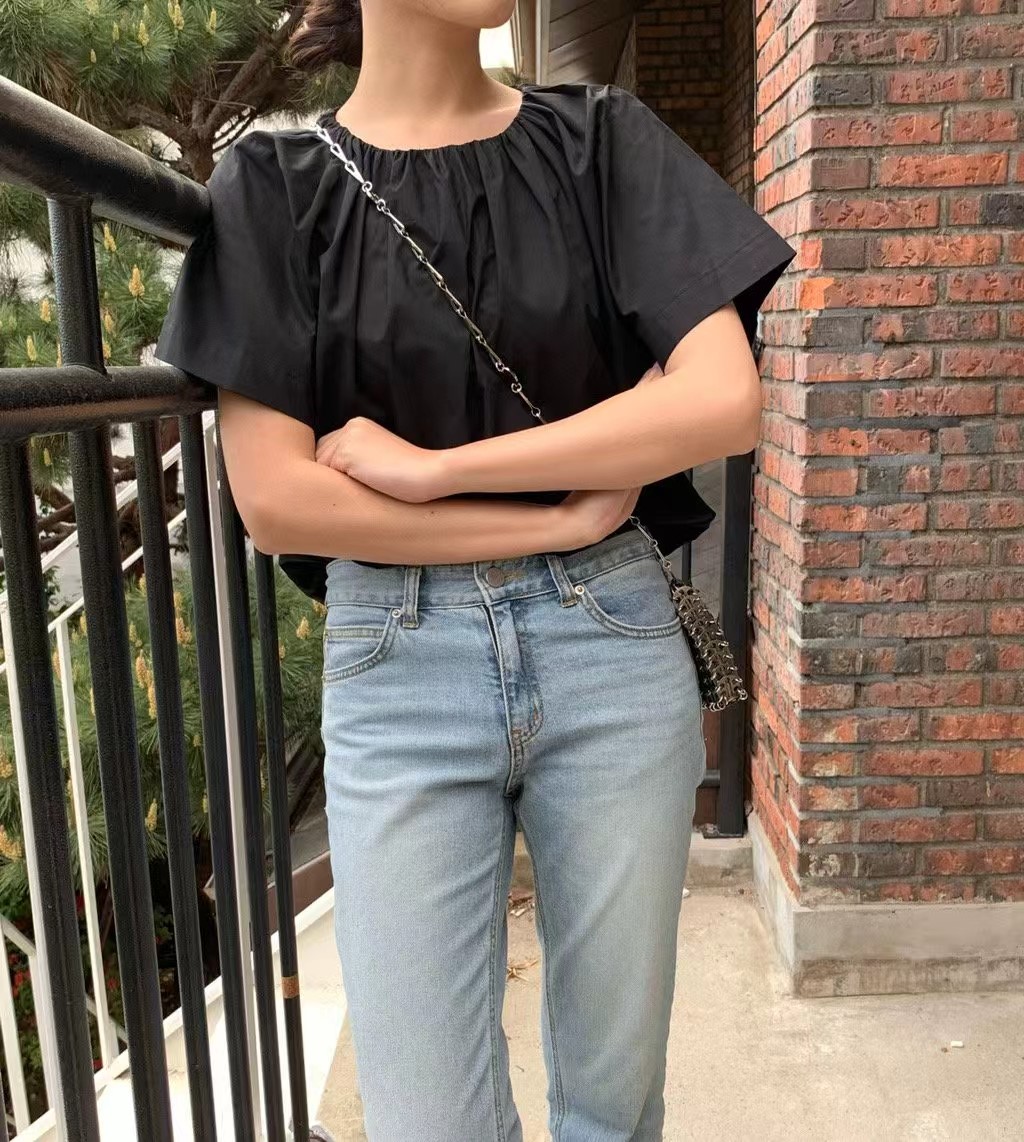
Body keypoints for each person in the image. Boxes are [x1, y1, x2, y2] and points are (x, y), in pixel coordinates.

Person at [154, 0, 796, 1134]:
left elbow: (721, 401)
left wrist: (438, 472)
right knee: (427, 1118)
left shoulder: (600, 141)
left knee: (613, 1103)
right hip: (400, 668)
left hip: (611, 646)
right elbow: (279, 499)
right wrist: (553, 516)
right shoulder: (274, 187)